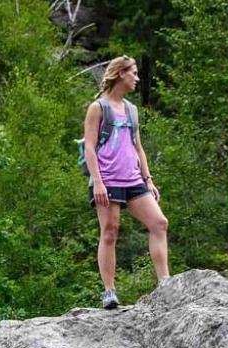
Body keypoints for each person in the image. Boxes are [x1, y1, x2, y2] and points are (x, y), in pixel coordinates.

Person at [82, 56, 168, 309]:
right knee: (110, 232)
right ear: (120, 74)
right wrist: (97, 181)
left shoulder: (131, 109)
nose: (137, 78)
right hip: (107, 180)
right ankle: (109, 291)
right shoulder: (98, 107)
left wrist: (148, 179)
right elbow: (89, 146)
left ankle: (165, 282)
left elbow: (138, 147)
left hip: (133, 179)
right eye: (134, 73)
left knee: (159, 223)